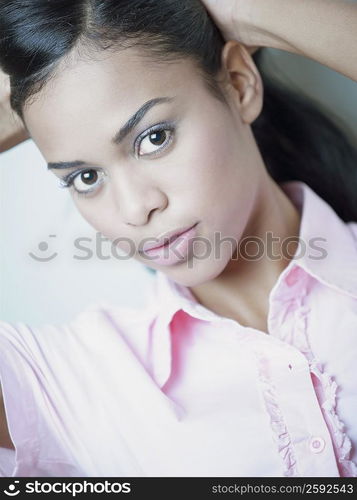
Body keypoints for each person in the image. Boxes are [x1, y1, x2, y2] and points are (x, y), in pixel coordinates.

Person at [0, 0, 356, 478]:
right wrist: (34, 79)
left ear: (238, 84)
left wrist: (245, 9)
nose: (133, 208)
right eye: (86, 177)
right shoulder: (62, 382)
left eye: (153, 138)